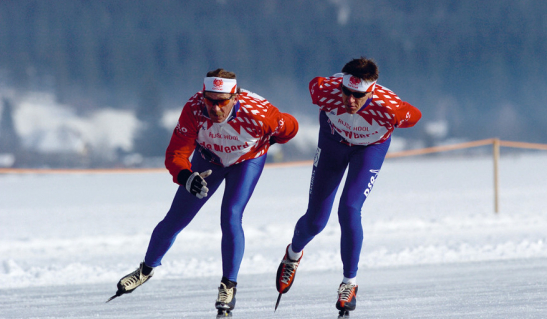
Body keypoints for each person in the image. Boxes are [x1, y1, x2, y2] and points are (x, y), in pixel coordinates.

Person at [109, 68, 298, 316]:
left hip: (246, 162)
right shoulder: (194, 108)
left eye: (222, 102)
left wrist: (270, 139)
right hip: (208, 162)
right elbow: (176, 153)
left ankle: (228, 285)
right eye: (210, 101)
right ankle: (145, 270)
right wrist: (186, 177)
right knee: (175, 220)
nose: (215, 109)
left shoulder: (261, 114)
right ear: (203, 95)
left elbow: (290, 128)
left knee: (230, 215)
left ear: (235, 97)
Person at [275, 57, 421, 315]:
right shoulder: (325, 89)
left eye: (358, 95)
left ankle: (349, 283)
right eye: (347, 92)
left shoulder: (389, 106)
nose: (350, 100)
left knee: (349, 209)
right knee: (316, 221)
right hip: (333, 144)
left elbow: (415, 115)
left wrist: (398, 118)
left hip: (369, 149)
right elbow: (313, 84)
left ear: (371, 91)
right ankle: (293, 254)